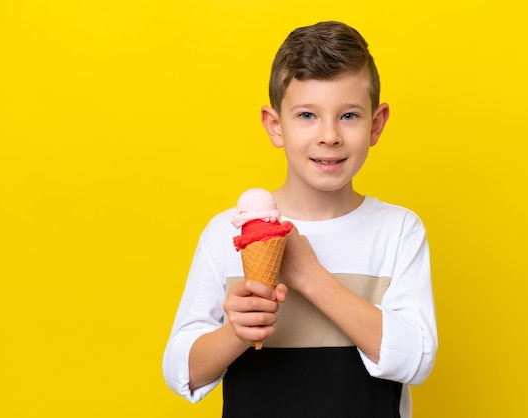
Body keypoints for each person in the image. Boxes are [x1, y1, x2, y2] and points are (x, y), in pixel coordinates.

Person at [163, 21, 437, 418]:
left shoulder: (398, 231)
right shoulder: (226, 232)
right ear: (275, 126)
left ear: (376, 124)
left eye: (349, 116)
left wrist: (309, 276)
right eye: (307, 115)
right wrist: (236, 332)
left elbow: (415, 359)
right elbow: (180, 372)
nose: (329, 135)